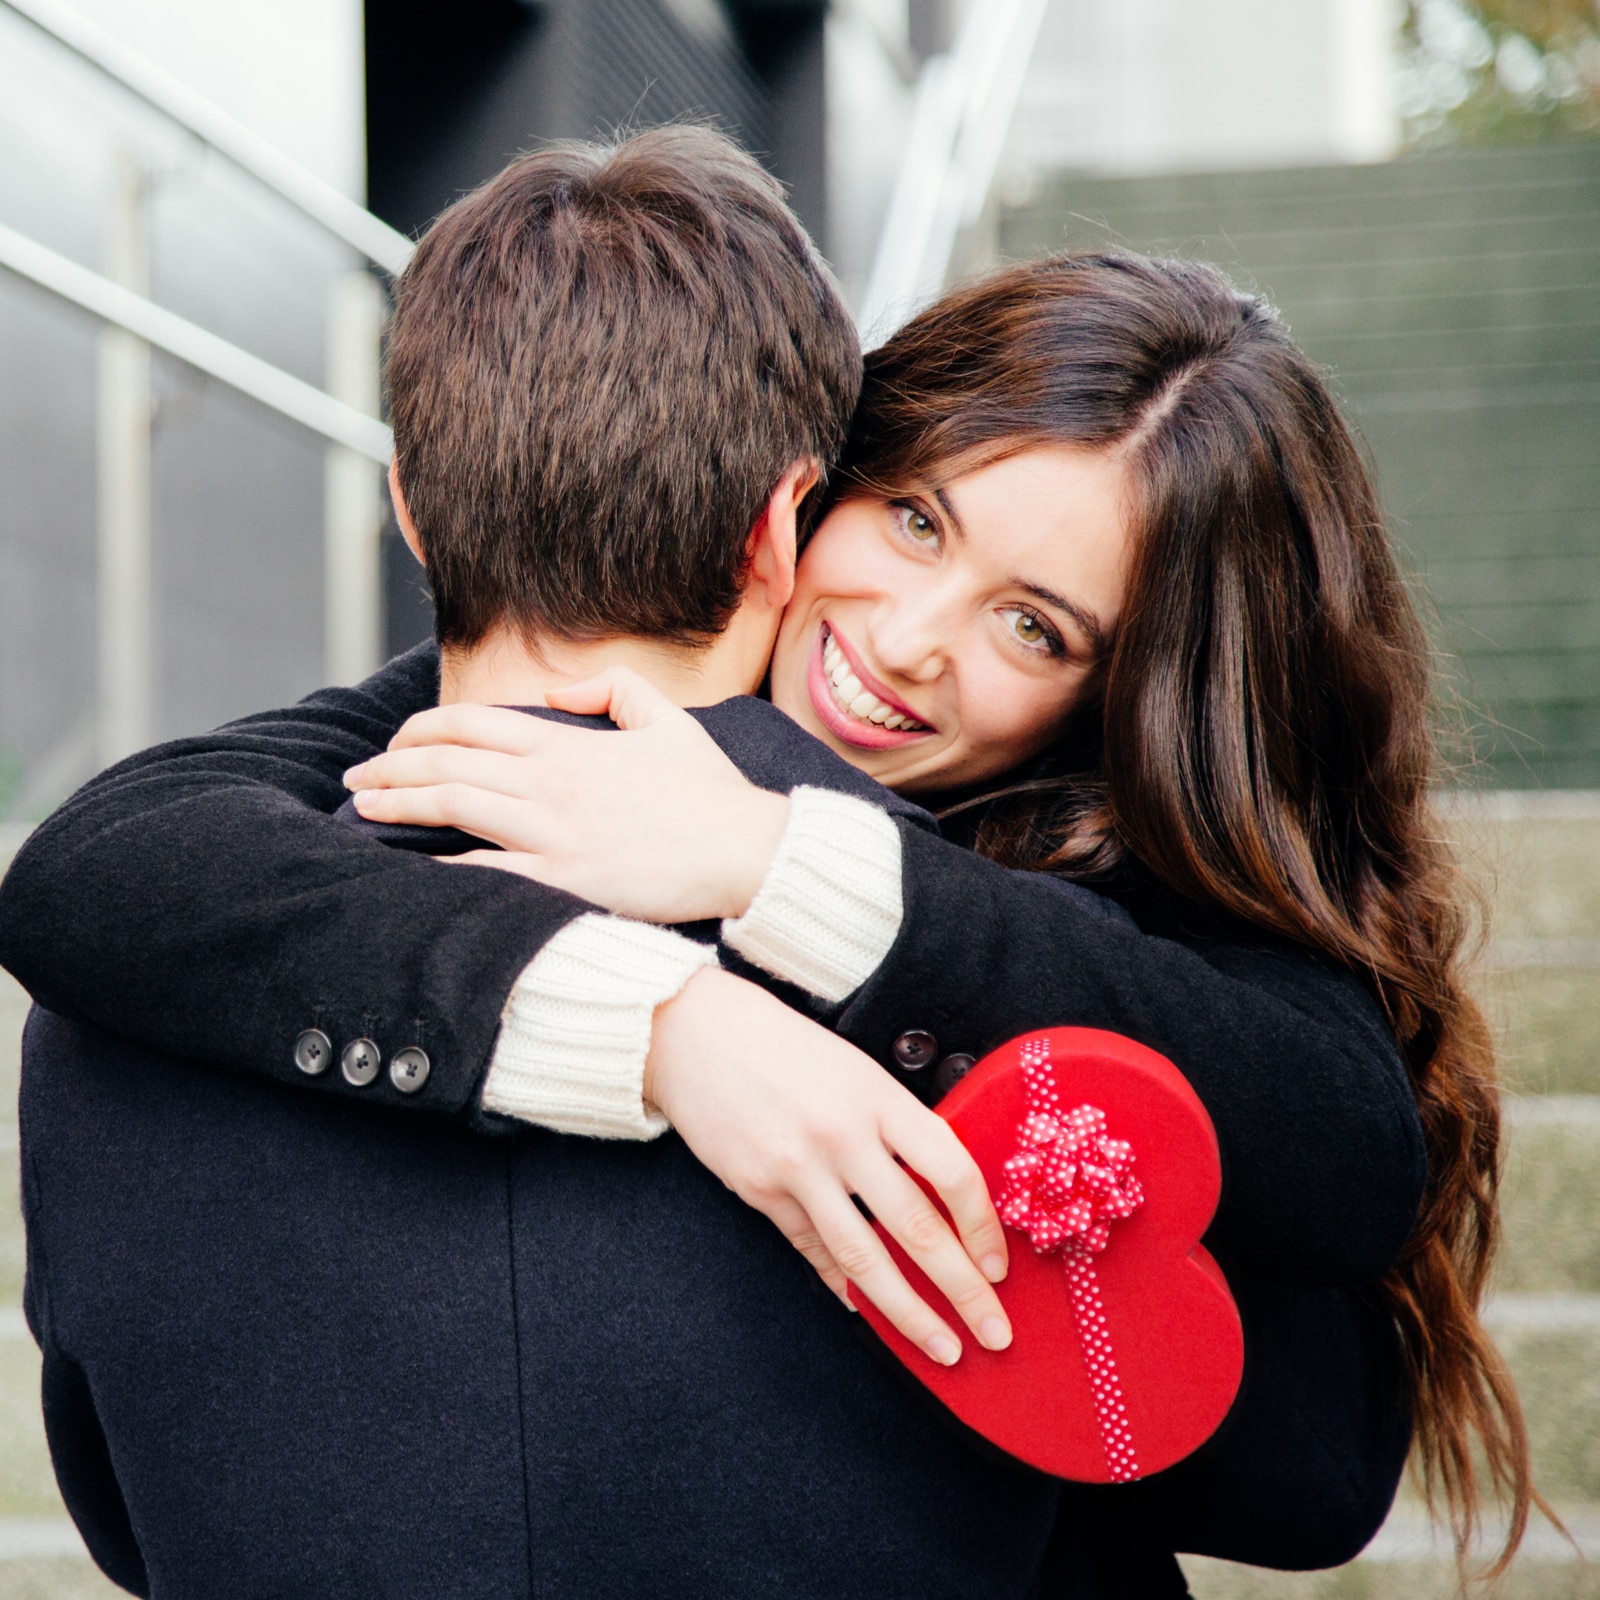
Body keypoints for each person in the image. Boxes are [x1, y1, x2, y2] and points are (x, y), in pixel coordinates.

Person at [0, 133, 1457, 1597]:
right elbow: (96, 865)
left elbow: (1322, 1337)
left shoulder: (1050, 988)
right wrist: (669, 1027)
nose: (902, 641)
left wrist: (790, 862)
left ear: (412, 507)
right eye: (915, 518)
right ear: (796, 506)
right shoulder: (233, 859)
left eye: (1036, 627)